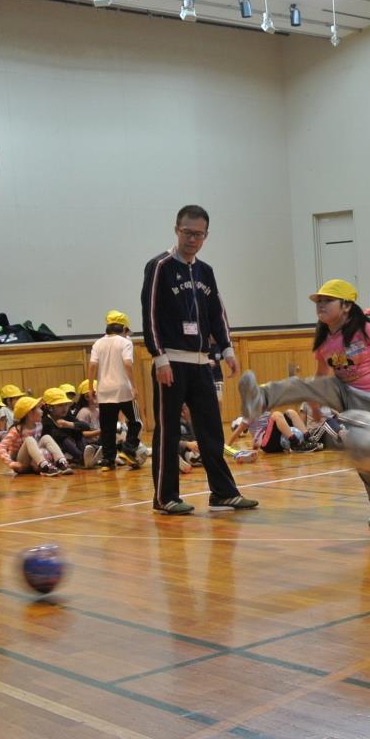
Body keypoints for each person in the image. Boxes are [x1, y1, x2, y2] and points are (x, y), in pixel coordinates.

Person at [239, 279, 370, 526]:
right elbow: (320, 376)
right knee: (300, 384)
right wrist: (314, 404)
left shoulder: (364, 329)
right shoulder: (325, 341)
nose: (321, 305)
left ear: (346, 306)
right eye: (319, 301)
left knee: (362, 452)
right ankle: (259, 399)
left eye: (327, 300)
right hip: (342, 389)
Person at [141, 205, 258, 516]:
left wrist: (228, 350)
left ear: (206, 235)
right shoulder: (159, 267)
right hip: (172, 362)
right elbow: (149, 314)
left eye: (199, 234)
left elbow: (215, 313)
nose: (193, 239)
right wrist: (159, 356)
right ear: (176, 229)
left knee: (211, 429)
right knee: (168, 430)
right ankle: (165, 496)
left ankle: (223, 493)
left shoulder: (205, 271)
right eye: (187, 233)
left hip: (202, 362)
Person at [89, 309, 142, 470]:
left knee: (107, 428)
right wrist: (133, 386)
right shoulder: (125, 342)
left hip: (104, 390)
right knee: (136, 422)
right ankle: (128, 449)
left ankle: (108, 461)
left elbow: (92, 365)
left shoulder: (98, 343)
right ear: (124, 329)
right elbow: (127, 363)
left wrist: (91, 386)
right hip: (123, 389)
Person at [0, 395, 69, 476]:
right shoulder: (16, 430)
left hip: (33, 462)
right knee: (29, 439)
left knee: (46, 437)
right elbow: (0, 447)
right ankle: (44, 466)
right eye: (38, 408)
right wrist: (11, 463)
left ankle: (61, 462)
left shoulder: (39, 425)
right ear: (29, 413)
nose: (41, 411)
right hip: (22, 464)